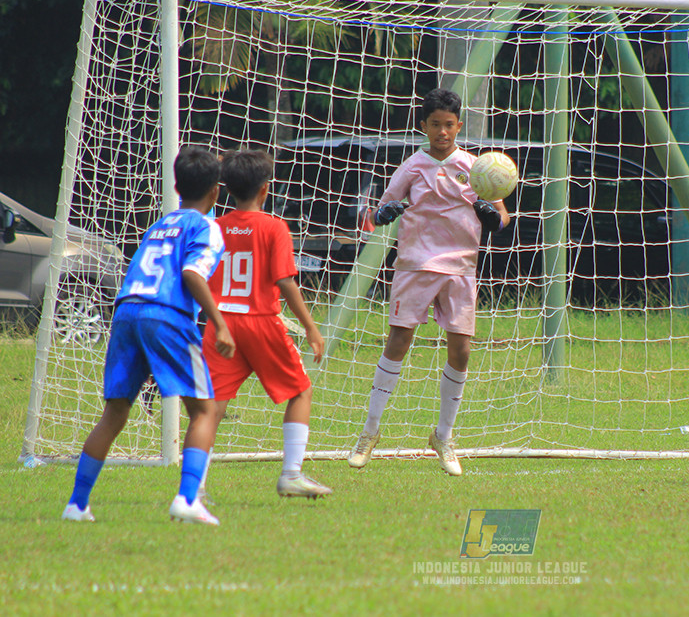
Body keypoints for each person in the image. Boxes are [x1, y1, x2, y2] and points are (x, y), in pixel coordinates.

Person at [62, 146, 234, 525]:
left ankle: (76, 503)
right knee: (204, 409)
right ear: (216, 192)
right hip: (165, 314)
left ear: (176, 185)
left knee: (115, 412)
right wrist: (219, 322)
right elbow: (191, 274)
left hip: (127, 312)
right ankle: (188, 498)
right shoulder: (206, 227)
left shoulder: (160, 224)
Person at [345, 87, 509, 476]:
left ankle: (444, 436)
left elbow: (502, 217)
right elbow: (374, 213)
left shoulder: (477, 166)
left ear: (458, 126)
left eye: (449, 125)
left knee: (462, 351)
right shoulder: (412, 166)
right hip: (416, 264)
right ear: (424, 126)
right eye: (435, 124)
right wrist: (384, 215)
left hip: (460, 268)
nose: (442, 132)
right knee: (399, 341)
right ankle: (369, 433)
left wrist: (492, 217)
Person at [200, 149, 330, 499]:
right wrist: (310, 327)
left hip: (221, 325)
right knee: (301, 390)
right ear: (265, 190)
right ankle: (291, 474)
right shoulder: (275, 227)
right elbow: (286, 282)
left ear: (226, 189)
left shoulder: (214, 227)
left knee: (212, 407)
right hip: (261, 322)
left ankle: (194, 486)